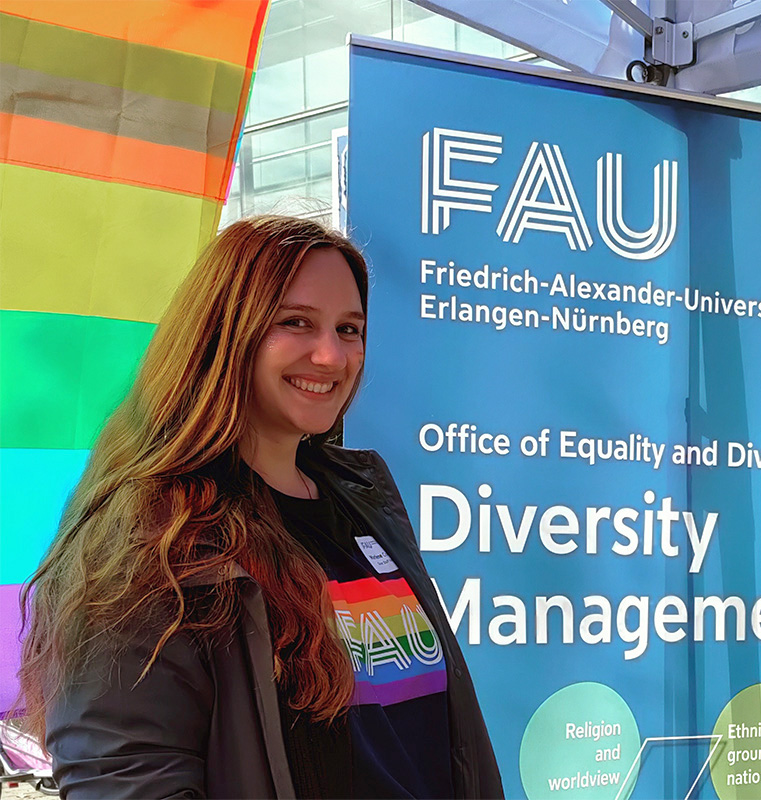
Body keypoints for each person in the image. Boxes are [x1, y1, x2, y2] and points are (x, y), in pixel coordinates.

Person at [17, 215, 504, 799]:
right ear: (225, 333)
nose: (330, 356)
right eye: (296, 322)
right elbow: (126, 778)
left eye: (350, 329)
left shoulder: (363, 504)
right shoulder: (150, 537)